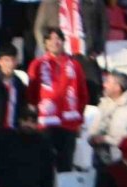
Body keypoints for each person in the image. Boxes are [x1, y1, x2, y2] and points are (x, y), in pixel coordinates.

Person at [27, 28, 88, 172]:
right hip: (45, 122)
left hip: (69, 122)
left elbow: (83, 94)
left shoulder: (75, 65)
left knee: (66, 165)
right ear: (45, 43)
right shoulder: (37, 64)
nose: (55, 42)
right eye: (50, 39)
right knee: (44, 164)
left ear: (63, 41)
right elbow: (31, 93)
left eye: (58, 39)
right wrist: (34, 117)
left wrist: (79, 118)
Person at [87, 71, 127, 168]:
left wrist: (105, 139)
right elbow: (94, 129)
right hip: (100, 157)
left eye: (108, 82)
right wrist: (93, 138)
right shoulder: (104, 104)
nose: (104, 85)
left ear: (117, 87)